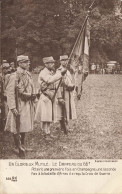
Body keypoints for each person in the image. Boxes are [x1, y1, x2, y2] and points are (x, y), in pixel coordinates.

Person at [4, 55, 36, 157]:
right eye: (25, 62)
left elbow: (31, 86)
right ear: (20, 63)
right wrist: (12, 107)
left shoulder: (28, 74)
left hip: (26, 103)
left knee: (24, 125)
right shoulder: (14, 76)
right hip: (18, 104)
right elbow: (10, 92)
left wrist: (33, 97)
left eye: (28, 61)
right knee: (16, 125)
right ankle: (17, 146)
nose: (28, 63)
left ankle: (22, 144)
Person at [35, 56, 67, 141]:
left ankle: (48, 132)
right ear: (45, 64)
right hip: (46, 95)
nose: (52, 64)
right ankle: (45, 134)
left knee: (50, 115)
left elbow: (57, 85)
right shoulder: (43, 73)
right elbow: (49, 80)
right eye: (50, 63)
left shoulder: (52, 72)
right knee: (45, 116)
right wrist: (60, 74)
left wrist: (59, 97)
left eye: (53, 62)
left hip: (52, 95)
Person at [56, 55, 77, 133]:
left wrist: (71, 86)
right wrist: (66, 86)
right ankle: (63, 126)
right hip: (62, 92)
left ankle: (66, 125)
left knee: (68, 109)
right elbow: (58, 82)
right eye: (63, 60)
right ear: (60, 61)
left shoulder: (67, 71)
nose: (65, 62)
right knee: (62, 109)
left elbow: (69, 81)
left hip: (68, 92)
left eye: (66, 60)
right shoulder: (59, 70)